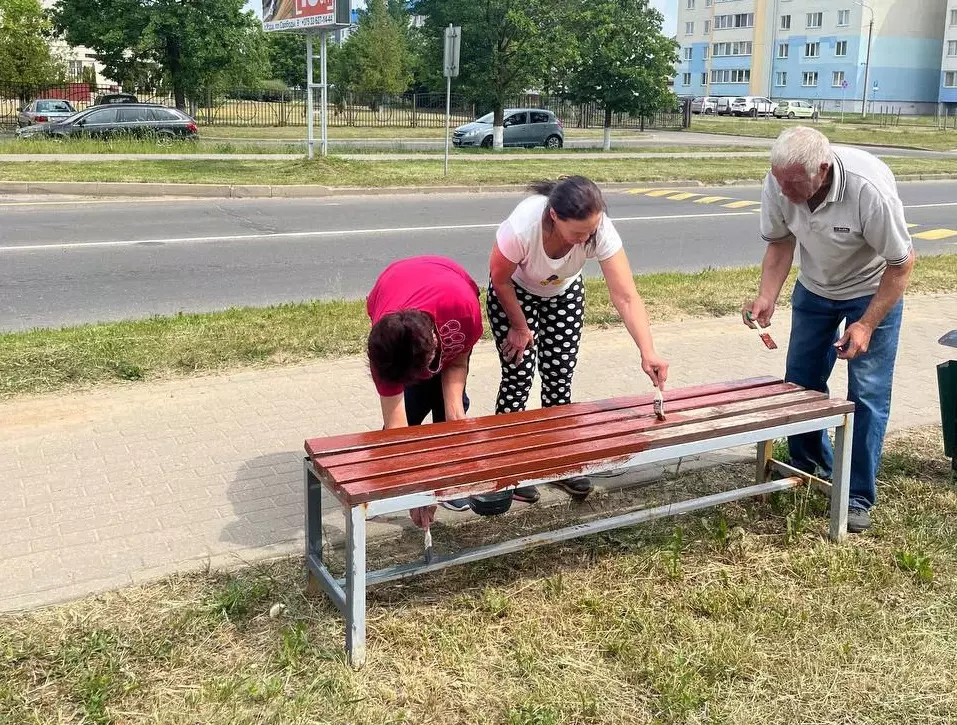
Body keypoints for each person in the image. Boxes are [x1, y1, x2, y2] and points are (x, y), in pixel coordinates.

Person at [743, 126, 915, 534]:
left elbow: (902, 264)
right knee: (800, 383)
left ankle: (856, 495)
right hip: (815, 289)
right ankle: (808, 464)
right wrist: (767, 295)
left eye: (793, 183)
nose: (783, 191)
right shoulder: (780, 180)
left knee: (867, 394)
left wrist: (867, 324)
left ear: (822, 170)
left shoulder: (868, 190)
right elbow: (780, 242)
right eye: (779, 180)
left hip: (872, 290)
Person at [487, 175, 669, 504]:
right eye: (577, 233)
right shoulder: (523, 228)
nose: (585, 239)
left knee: (560, 376)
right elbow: (500, 279)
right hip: (515, 292)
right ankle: (509, 468)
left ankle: (560, 462)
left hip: (563, 292)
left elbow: (626, 296)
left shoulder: (599, 230)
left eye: (591, 231)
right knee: (519, 376)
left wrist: (648, 350)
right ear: (554, 216)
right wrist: (519, 326)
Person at [366, 255, 484, 528]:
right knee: (412, 407)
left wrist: (456, 419)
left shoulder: (464, 311)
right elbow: (398, 429)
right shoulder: (385, 349)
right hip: (393, 283)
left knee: (450, 413)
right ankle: (382, 484)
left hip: (452, 284)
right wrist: (416, 491)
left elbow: (457, 364)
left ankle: (448, 482)